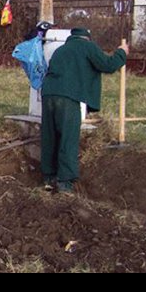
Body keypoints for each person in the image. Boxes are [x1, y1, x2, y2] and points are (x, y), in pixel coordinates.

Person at [41, 28, 129, 193]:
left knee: (50, 136)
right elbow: (108, 65)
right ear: (87, 38)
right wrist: (121, 53)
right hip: (68, 97)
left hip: (48, 94)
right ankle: (65, 182)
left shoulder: (60, 50)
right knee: (68, 137)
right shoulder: (87, 46)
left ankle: (48, 177)